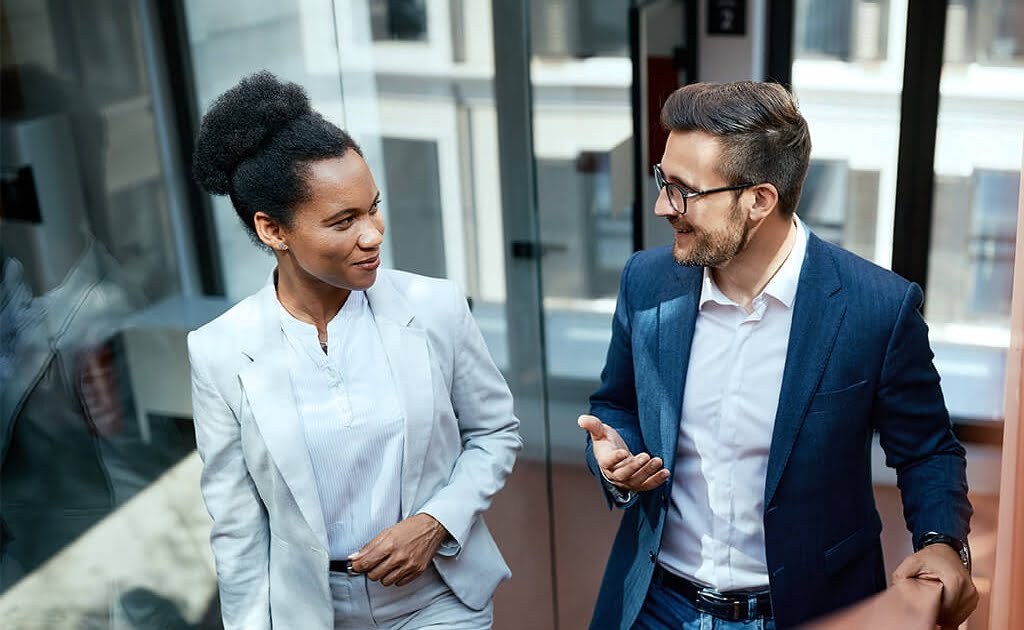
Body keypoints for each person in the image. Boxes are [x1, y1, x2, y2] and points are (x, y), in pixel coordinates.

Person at [578, 81, 977, 629]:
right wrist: (616, 458)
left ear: (759, 201)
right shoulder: (646, 283)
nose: (662, 206)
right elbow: (616, 402)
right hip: (655, 603)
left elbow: (928, 450)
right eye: (662, 181)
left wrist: (940, 542)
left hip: (801, 610)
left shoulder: (875, 309)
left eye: (684, 191)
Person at [189, 71, 521, 630]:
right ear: (274, 230)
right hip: (315, 615)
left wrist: (435, 522)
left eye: (372, 207)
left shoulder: (434, 308)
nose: (373, 234)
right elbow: (238, 529)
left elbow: (496, 433)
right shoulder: (220, 351)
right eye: (344, 221)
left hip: (438, 601)